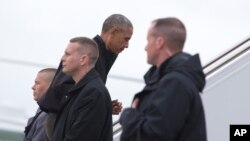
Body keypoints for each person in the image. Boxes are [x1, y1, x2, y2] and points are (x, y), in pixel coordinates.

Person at [119, 17, 207, 141]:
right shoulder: (168, 81)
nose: (145, 47)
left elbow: (155, 134)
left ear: (159, 42)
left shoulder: (175, 83)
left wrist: (128, 116)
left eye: (148, 40)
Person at [38, 13, 133, 115]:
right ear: (113, 32)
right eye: (126, 39)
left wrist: (103, 106)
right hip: (63, 124)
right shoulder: (88, 54)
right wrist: (101, 105)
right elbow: (64, 90)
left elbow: (82, 94)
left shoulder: (103, 55)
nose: (127, 45)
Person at [51, 37, 112, 141]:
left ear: (83, 59)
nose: (62, 58)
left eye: (67, 54)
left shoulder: (93, 93)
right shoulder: (80, 91)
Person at [23, 68, 56, 141]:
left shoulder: (46, 115)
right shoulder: (43, 110)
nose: (33, 87)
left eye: (37, 83)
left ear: (50, 86)